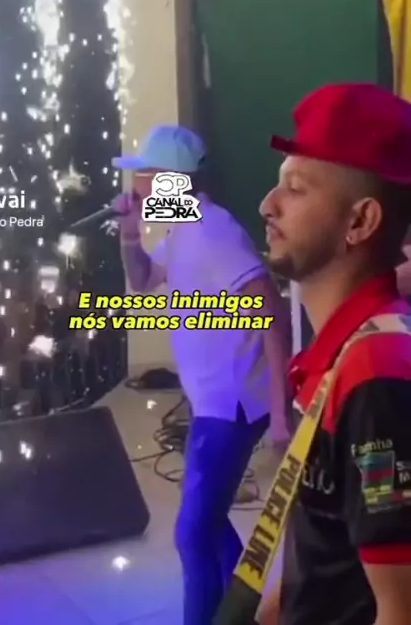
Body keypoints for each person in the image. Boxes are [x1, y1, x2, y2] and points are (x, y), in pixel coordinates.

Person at [111, 125, 291, 625]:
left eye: (144, 175)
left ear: (170, 180)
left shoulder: (215, 233)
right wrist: (129, 233)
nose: (136, 187)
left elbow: (273, 315)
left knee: (191, 534)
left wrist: (281, 412)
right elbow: (143, 280)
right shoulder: (184, 228)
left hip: (231, 406)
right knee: (206, 525)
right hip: (213, 402)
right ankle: (241, 612)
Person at [258, 83, 411, 625]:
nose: (267, 205)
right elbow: (328, 545)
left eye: (295, 189)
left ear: (360, 222)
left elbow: (401, 607)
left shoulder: (374, 374)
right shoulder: (343, 352)